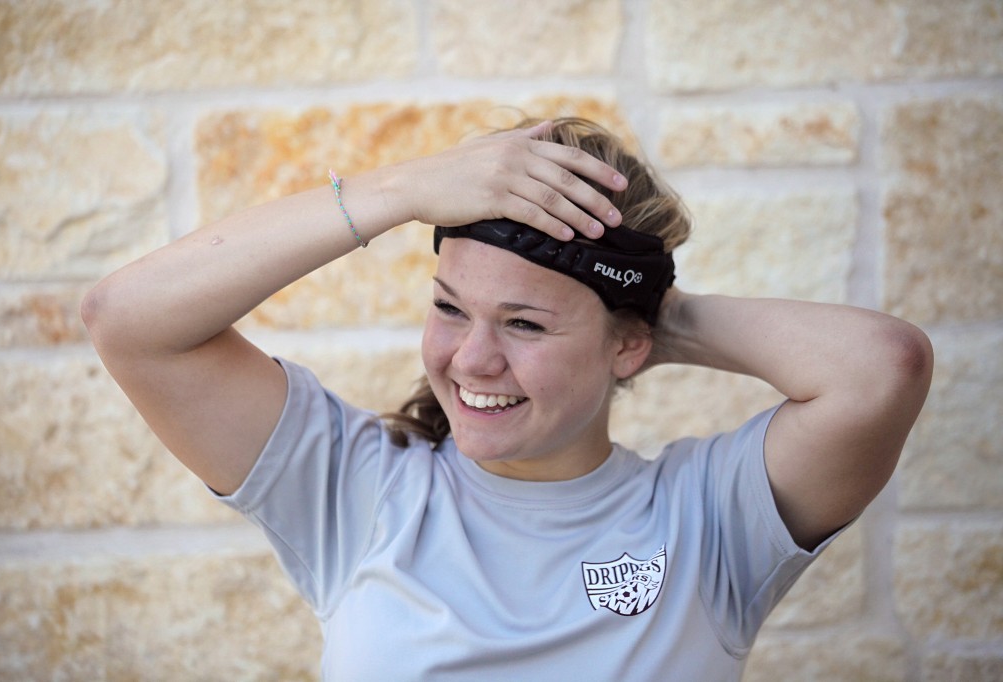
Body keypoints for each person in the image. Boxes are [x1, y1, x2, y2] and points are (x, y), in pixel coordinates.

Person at [82, 117, 933, 680]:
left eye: (524, 325)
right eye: (450, 308)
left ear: (630, 346)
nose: (473, 359)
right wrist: (403, 191)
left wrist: (644, 314)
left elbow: (881, 367)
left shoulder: (709, 518)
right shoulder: (353, 490)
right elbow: (126, 319)